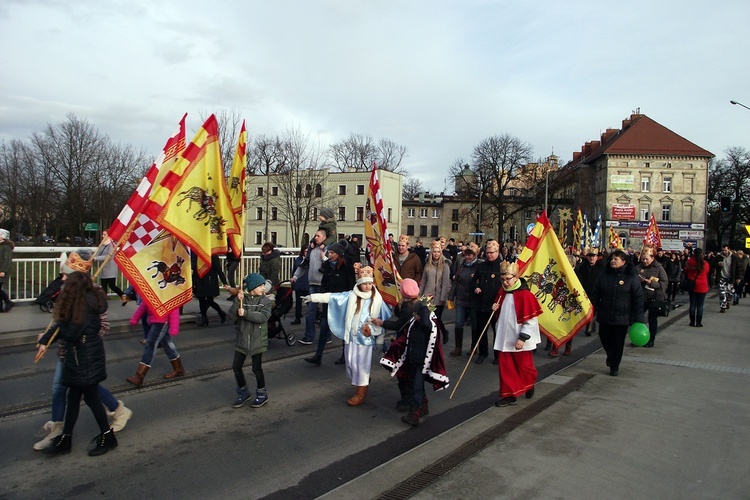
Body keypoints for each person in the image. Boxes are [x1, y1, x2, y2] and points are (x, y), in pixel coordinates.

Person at [33, 252, 132, 451]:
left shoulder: (84, 302)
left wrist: (55, 336)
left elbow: (70, 330)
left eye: (66, 276)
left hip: (83, 356)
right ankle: (65, 439)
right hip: (77, 355)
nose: (62, 279)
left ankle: (107, 436)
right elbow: (63, 325)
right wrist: (46, 339)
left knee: (90, 397)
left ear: (75, 280)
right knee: (74, 397)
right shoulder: (76, 297)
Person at [307, 265, 391, 406]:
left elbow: (384, 318)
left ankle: (360, 392)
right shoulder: (351, 296)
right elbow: (333, 297)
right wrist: (313, 297)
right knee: (351, 363)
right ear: (359, 283)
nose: (367, 286)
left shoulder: (377, 299)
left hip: (366, 339)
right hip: (352, 337)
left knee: (362, 365)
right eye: (364, 284)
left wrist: (373, 330)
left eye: (370, 283)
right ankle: (362, 382)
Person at [378, 278, 449, 426]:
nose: (414, 315)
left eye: (416, 314)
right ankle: (423, 406)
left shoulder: (423, 327)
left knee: (416, 386)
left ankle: (414, 413)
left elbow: (417, 329)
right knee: (418, 385)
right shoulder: (415, 324)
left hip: (420, 361)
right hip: (414, 359)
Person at [491, 261, 543, 407]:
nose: (505, 282)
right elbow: (501, 312)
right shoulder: (502, 292)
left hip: (519, 338)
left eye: (508, 279)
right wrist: (495, 308)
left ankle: (529, 383)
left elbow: (531, 320)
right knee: (506, 368)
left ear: (516, 277)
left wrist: (522, 338)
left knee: (525, 368)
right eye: (503, 279)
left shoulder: (525, 295)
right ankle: (509, 395)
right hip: (504, 337)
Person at [590, 249, 644, 376]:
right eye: (612, 259)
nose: (613, 261)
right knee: (604, 337)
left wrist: (639, 319)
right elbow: (596, 293)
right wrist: (592, 308)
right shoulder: (604, 274)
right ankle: (610, 355)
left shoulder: (631, 276)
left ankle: (614, 366)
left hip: (622, 316)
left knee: (618, 342)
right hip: (605, 313)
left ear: (623, 262)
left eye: (616, 259)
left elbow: (638, 297)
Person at [304, 239, 356, 366]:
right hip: (329, 301)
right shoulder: (327, 266)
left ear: (339, 254)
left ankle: (345, 354)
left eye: (332, 253)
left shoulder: (346, 267)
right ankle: (318, 355)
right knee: (324, 327)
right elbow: (324, 283)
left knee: (345, 330)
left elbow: (351, 287)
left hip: (343, 303)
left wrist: (348, 301)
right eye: (329, 252)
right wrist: (323, 295)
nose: (329, 255)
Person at [228, 273, 273, 408]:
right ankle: (243, 392)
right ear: (252, 287)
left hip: (257, 340)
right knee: (236, 366)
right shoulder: (243, 299)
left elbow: (263, 317)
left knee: (256, 368)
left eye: (263, 285)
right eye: (260, 286)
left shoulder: (265, 301)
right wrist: (237, 301)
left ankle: (261, 393)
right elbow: (232, 316)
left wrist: (246, 313)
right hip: (242, 338)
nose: (263, 288)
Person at [125, 300, 184, 386]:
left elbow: (174, 309)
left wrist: (174, 328)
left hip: (162, 321)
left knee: (150, 345)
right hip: (155, 320)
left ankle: (139, 376)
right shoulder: (154, 290)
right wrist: (135, 319)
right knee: (167, 344)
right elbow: (144, 305)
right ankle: (178, 369)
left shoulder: (168, 292)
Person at [291, 230, 327, 345]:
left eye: (318, 236)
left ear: (324, 237)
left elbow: (333, 265)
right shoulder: (311, 249)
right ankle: (309, 336)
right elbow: (304, 264)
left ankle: (327, 335)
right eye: (315, 235)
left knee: (326, 312)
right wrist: (295, 276)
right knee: (310, 311)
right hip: (312, 284)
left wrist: (324, 258)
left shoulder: (327, 249)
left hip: (324, 285)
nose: (315, 237)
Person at [472, 240, 503, 364]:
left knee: (497, 332)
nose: (489, 255)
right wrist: (475, 287)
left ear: (497, 252)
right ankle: (482, 353)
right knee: (481, 330)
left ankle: (497, 355)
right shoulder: (482, 266)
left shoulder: (502, 266)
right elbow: (474, 280)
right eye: (488, 253)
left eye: (492, 253)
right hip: (482, 304)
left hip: (496, 305)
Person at [447, 243, 480, 357]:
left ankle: (474, 347)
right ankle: (458, 348)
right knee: (459, 323)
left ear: (475, 255)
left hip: (474, 300)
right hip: (461, 298)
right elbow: (456, 281)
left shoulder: (479, 265)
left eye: (470, 255)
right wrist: (451, 296)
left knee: (475, 325)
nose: (468, 257)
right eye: (466, 254)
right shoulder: (462, 264)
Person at [419, 240, 452, 346]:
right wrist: (420, 295)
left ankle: (443, 332)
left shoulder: (445, 265)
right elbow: (423, 280)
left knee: (436, 318)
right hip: (427, 296)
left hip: (438, 297)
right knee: (427, 317)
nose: (436, 254)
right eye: (434, 252)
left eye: (438, 252)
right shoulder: (428, 264)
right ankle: (429, 337)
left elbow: (446, 282)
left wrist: (443, 297)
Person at [192, 253, 228, 326]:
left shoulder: (213, 255)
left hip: (210, 280)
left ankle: (221, 313)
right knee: (201, 299)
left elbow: (218, 269)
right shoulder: (198, 254)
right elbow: (195, 268)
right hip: (200, 279)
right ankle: (204, 318)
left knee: (210, 300)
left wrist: (224, 281)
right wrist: (194, 281)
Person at [93, 230, 127, 305]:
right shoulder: (103, 244)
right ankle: (103, 302)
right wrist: (94, 256)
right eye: (102, 234)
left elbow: (109, 256)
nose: (102, 236)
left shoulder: (111, 245)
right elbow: (98, 253)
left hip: (111, 268)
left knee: (112, 286)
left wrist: (97, 258)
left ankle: (123, 295)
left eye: (104, 234)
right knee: (104, 286)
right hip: (104, 268)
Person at [575, 248, 603, 336]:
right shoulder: (583, 267)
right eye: (590, 256)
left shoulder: (601, 267)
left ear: (596, 257)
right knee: (586, 310)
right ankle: (589, 325)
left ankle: (590, 327)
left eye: (593, 256)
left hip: (596, 292)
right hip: (585, 292)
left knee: (593, 310)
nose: (591, 258)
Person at [683, 248, 710, 327]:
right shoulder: (705, 263)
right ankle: (698, 322)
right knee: (700, 305)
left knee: (692, 304)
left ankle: (692, 322)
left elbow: (685, 270)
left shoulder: (690, 262)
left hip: (692, 285)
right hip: (702, 286)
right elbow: (707, 272)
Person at [290, 245, 309, 325]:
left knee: (310, 302)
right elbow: (294, 271)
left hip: (307, 284)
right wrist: (293, 283)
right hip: (299, 284)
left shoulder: (310, 260)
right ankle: (297, 318)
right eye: (305, 251)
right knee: (298, 303)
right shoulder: (298, 260)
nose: (306, 253)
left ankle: (315, 317)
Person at [0, 228, 15, 312]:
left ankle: (8, 301)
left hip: (2, 270)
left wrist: (3, 271)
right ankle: (1, 307)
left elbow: (7, 260)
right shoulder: (2, 246)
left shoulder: (6, 247)